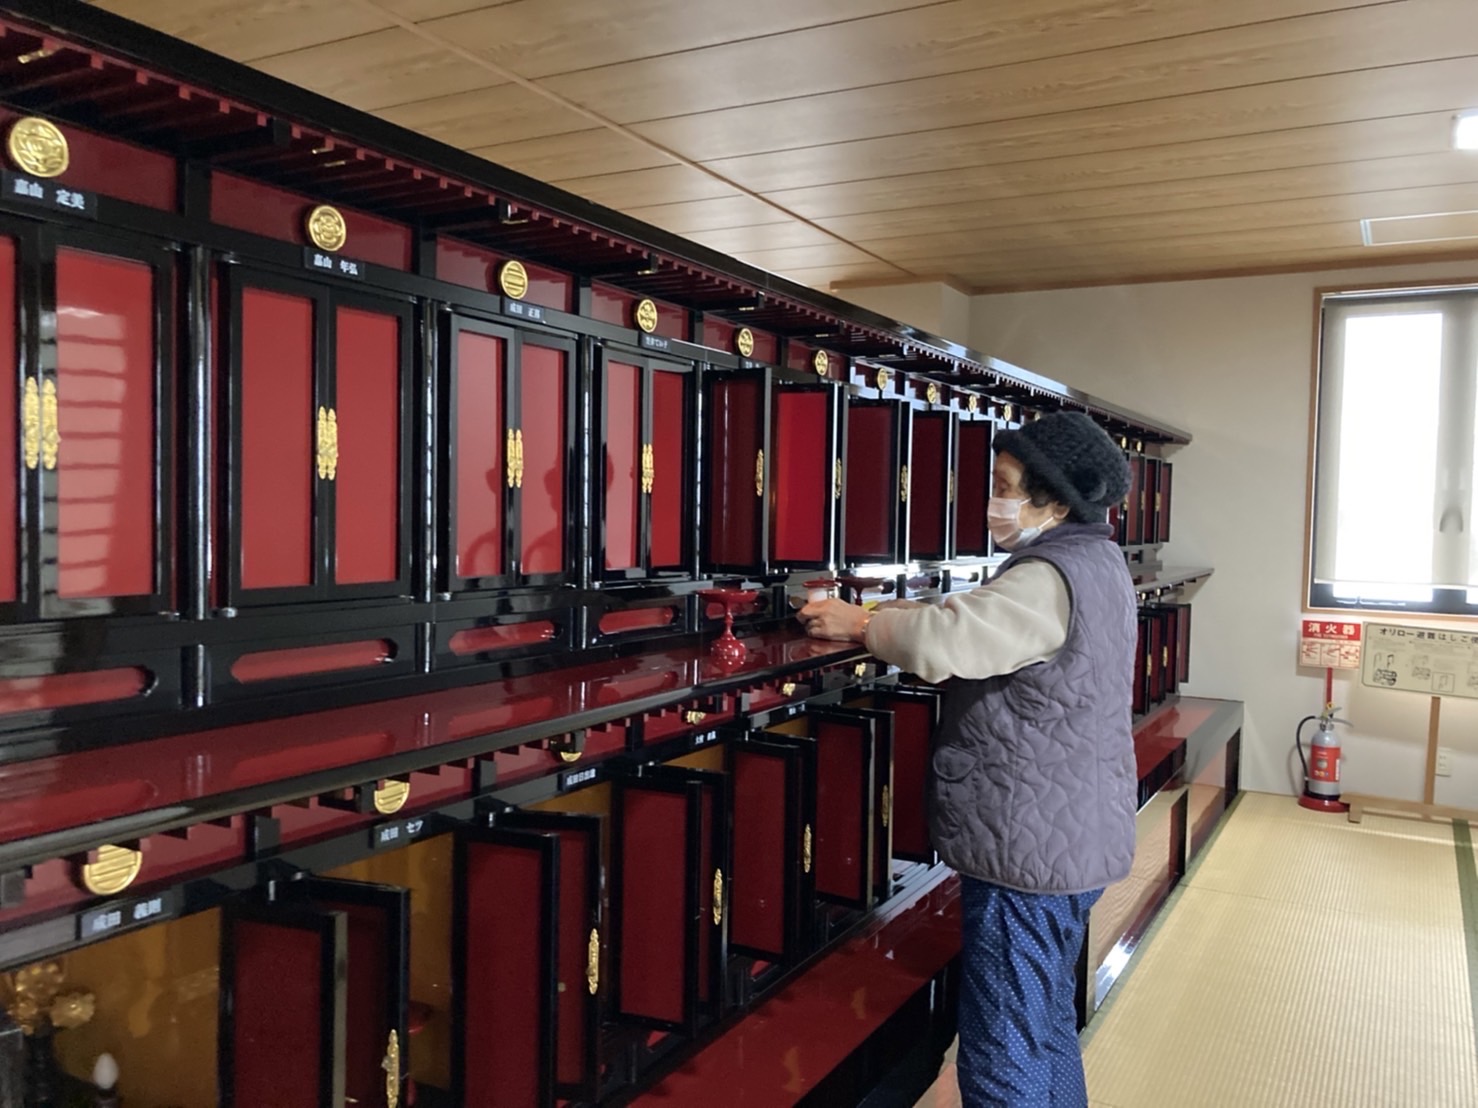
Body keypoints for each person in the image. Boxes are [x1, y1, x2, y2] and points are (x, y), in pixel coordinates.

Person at [798, 411, 1137, 1108]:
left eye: (1005, 486)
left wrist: (862, 623)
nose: (992, 500)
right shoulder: (1096, 561)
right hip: (1070, 836)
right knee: (1044, 1026)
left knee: (1003, 1044)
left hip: (1029, 849)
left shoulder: (1048, 577)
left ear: (1053, 502)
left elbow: (946, 643)